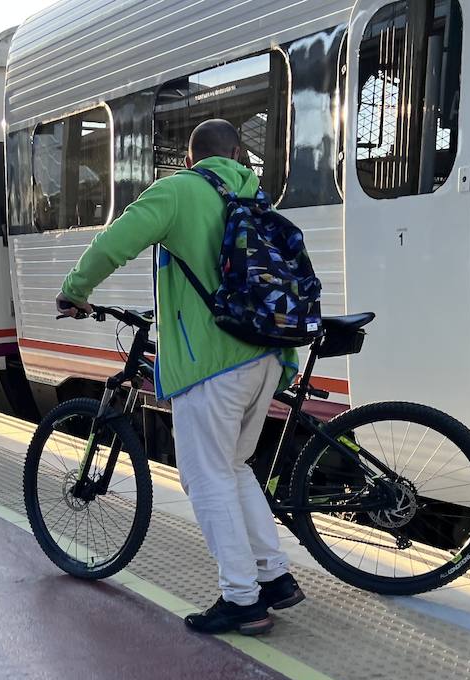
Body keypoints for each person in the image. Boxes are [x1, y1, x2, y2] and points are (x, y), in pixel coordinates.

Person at [56, 119, 304, 636]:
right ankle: (275, 576)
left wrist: (76, 289)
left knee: (204, 475)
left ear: (191, 160)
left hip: (213, 364)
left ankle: (242, 599)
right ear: (238, 154)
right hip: (266, 357)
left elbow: (113, 243)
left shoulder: (177, 191)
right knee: (234, 467)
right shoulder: (255, 195)